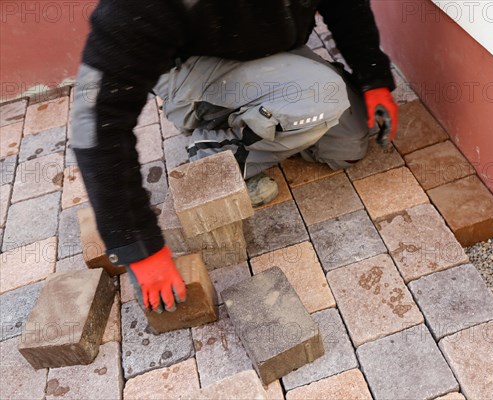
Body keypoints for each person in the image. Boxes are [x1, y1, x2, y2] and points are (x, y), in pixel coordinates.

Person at [71, 0, 398, 314]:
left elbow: (345, 5)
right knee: (320, 96)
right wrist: (138, 248)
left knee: (350, 144)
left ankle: (273, 115)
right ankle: (213, 154)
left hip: (270, 46)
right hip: (194, 71)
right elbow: (94, 117)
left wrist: (373, 79)